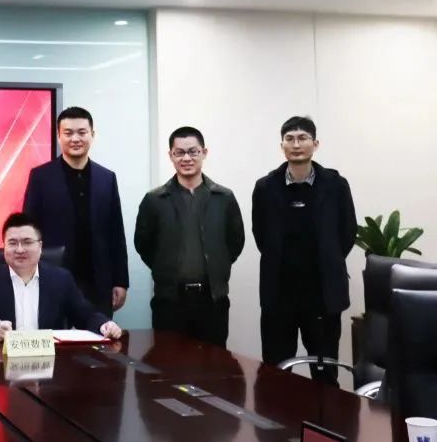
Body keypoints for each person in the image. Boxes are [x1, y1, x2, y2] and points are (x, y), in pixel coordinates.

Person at [252, 116, 356, 385]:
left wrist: (328, 259)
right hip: (279, 294)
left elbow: (347, 233)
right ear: (282, 146)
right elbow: (261, 236)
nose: (296, 144)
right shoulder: (265, 187)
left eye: (302, 138)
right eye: (290, 139)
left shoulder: (336, 185)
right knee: (275, 374)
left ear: (315, 144)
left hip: (323, 294)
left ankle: (324, 414)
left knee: (325, 375)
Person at [134, 126, 245, 347]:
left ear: (204, 152)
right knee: (169, 362)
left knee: (214, 363)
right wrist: (165, 268)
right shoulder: (155, 200)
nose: (186, 158)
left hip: (212, 300)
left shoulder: (223, 198)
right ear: (171, 155)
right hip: (170, 301)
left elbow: (235, 242)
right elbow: (144, 245)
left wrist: (218, 265)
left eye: (193, 151)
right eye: (179, 152)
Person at [23, 106, 129, 317]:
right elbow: (28, 230)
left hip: (98, 281)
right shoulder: (41, 177)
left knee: (98, 334)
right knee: (55, 335)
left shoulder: (106, 178)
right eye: (68, 133)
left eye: (82, 132)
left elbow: (116, 233)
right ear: (59, 136)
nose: (75, 139)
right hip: (53, 278)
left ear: (92, 135)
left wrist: (120, 281)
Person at [0, 213, 123, 341]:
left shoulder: (60, 279)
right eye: (13, 243)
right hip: (1, 361)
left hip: (50, 363)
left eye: (27, 242)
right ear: (4, 246)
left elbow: (86, 315)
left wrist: (105, 325)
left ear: (40, 246)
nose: (20, 249)